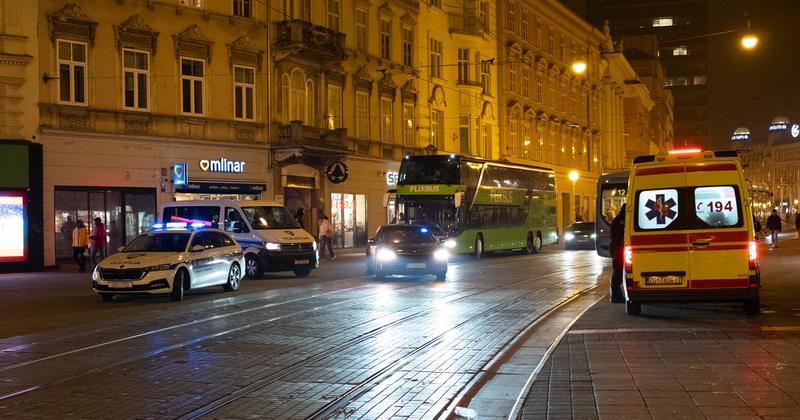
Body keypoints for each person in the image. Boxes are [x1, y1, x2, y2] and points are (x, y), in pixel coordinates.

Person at [608, 203, 626, 303]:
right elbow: (618, 236)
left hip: (617, 249)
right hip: (618, 249)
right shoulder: (619, 220)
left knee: (618, 272)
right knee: (618, 272)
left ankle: (616, 296)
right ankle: (615, 296)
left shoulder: (618, 219)